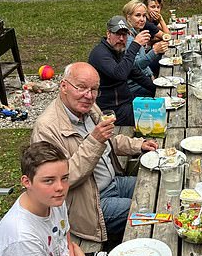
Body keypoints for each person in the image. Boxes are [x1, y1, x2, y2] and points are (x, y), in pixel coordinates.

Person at [32, 62, 158, 242]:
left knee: (154, 186)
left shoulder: (89, 109)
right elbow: (61, 180)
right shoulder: (47, 128)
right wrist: (94, 140)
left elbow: (109, 140)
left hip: (113, 182)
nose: (89, 96)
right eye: (82, 87)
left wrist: (138, 145)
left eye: (94, 89)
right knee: (149, 212)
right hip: (89, 205)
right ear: (64, 86)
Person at [88, 15, 156, 125]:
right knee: (156, 116)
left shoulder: (117, 49)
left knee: (159, 102)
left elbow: (133, 72)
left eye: (124, 34)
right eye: (117, 34)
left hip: (126, 101)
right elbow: (120, 74)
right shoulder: (100, 54)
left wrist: (156, 89)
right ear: (108, 34)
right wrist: (134, 46)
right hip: (111, 111)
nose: (121, 38)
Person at [122, 0, 168, 94]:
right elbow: (135, 68)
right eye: (138, 15)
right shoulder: (128, 39)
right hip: (135, 87)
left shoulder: (136, 33)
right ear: (128, 17)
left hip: (143, 81)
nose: (142, 19)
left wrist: (151, 75)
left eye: (144, 16)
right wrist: (154, 51)